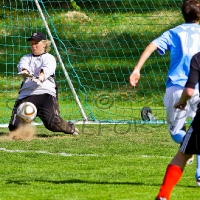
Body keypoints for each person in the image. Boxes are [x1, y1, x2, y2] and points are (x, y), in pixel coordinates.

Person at [129, 0, 200, 186]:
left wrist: (137, 69)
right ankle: (199, 174)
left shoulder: (174, 32)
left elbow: (151, 46)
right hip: (198, 87)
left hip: (177, 87)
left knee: (176, 132)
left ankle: (188, 146)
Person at [8, 32, 79, 136]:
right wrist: (25, 72)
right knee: (15, 127)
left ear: (44, 44)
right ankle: (27, 126)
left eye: (36, 42)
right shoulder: (26, 57)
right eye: (32, 43)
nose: (33, 45)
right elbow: (23, 66)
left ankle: (70, 128)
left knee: (52, 123)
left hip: (45, 94)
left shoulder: (49, 58)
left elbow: (46, 69)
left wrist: (40, 78)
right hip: (27, 95)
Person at [154, 50, 200, 200]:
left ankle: (163, 195)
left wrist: (182, 101)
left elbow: (189, 90)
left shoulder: (198, 58)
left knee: (182, 155)